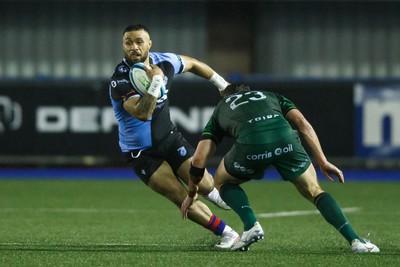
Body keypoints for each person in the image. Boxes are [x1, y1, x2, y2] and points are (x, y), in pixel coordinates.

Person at [181, 83, 380, 253]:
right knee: (314, 190)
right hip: (286, 140)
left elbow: (198, 159)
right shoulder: (271, 96)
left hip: (252, 146)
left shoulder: (221, 108)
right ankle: (356, 241)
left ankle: (251, 225)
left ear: (226, 95)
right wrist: (322, 161)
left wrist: (191, 194)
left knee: (223, 181)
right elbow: (302, 123)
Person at [109, 24, 239, 250]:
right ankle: (229, 234)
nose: (134, 47)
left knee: (205, 184)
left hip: (169, 139)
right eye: (128, 42)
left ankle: (216, 195)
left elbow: (194, 64)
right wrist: (157, 81)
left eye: (139, 41)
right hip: (141, 154)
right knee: (180, 196)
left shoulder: (165, 61)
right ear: (123, 46)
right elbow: (142, 113)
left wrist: (222, 84)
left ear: (150, 44)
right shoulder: (120, 80)